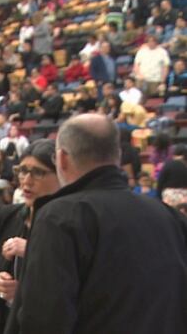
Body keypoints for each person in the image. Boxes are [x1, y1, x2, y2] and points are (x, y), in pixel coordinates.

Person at [10, 114, 187, 333]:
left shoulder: (59, 217)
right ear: (118, 156)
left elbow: (44, 319)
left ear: (62, 159)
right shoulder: (169, 216)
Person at [0, 139, 59, 334]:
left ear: (61, 175)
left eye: (39, 172)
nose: (26, 180)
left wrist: (32, 251)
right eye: (23, 170)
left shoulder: (67, 226)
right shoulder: (4, 216)